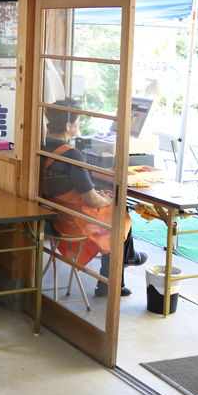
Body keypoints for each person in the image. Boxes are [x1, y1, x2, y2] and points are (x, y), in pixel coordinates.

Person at [41, 98, 147, 296]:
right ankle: (120, 268)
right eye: (78, 121)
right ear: (68, 125)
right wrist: (107, 199)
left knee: (115, 213)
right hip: (73, 221)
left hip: (55, 216)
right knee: (119, 211)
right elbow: (92, 200)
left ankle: (124, 263)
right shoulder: (71, 155)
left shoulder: (42, 146)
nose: (79, 124)